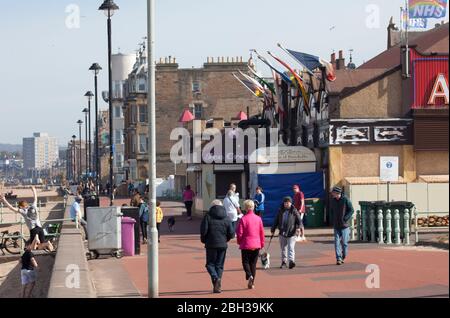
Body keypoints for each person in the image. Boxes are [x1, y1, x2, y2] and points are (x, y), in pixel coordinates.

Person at [0, 187, 54, 252]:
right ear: (27, 204)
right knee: (41, 245)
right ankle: (48, 245)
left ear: (20, 206)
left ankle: (36, 239)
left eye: (19, 207)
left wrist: (4, 200)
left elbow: (11, 208)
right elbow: (35, 198)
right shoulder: (34, 206)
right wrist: (34, 190)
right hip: (40, 228)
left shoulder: (23, 211)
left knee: (33, 247)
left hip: (33, 230)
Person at [200, 200, 234, 294]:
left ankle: (215, 278)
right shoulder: (226, 217)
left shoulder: (208, 216)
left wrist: (204, 240)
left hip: (211, 244)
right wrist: (225, 239)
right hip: (223, 244)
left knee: (210, 264)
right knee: (219, 265)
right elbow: (231, 233)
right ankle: (217, 285)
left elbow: (203, 231)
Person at [235, 200, 265, 289]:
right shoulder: (258, 218)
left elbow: (239, 233)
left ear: (245, 208)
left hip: (246, 243)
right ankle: (252, 282)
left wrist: (239, 241)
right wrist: (262, 243)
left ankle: (249, 275)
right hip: (256, 244)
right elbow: (261, 232)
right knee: (253, 264)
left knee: (245, 262)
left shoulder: (243, 219)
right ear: (253, 207)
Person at [271, 196, 302, 269]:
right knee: (283, 248)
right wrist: (273, 229)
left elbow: (299, 221)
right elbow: (276, 220)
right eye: (285, 203)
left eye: (288, 203)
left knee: (291, 248)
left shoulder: (294, 211)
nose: (286, 204)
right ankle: (284, 262)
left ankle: (291, 261)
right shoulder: (280, 210)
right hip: (282, 232)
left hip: (292, 232)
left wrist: (298, 228)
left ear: (291, 203)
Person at [330, 187, 354, 266]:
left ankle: (344, 255)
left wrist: (345, 218)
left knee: (344, 243)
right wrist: (332, 219)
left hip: (344, 225)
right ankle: (338, 258)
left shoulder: (345, 199)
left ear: (337, 193)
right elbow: (331, 211)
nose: (332, 194)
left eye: (333, 192)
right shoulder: (333, 201)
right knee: (336, 242)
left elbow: (351, 210)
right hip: (336, 225)